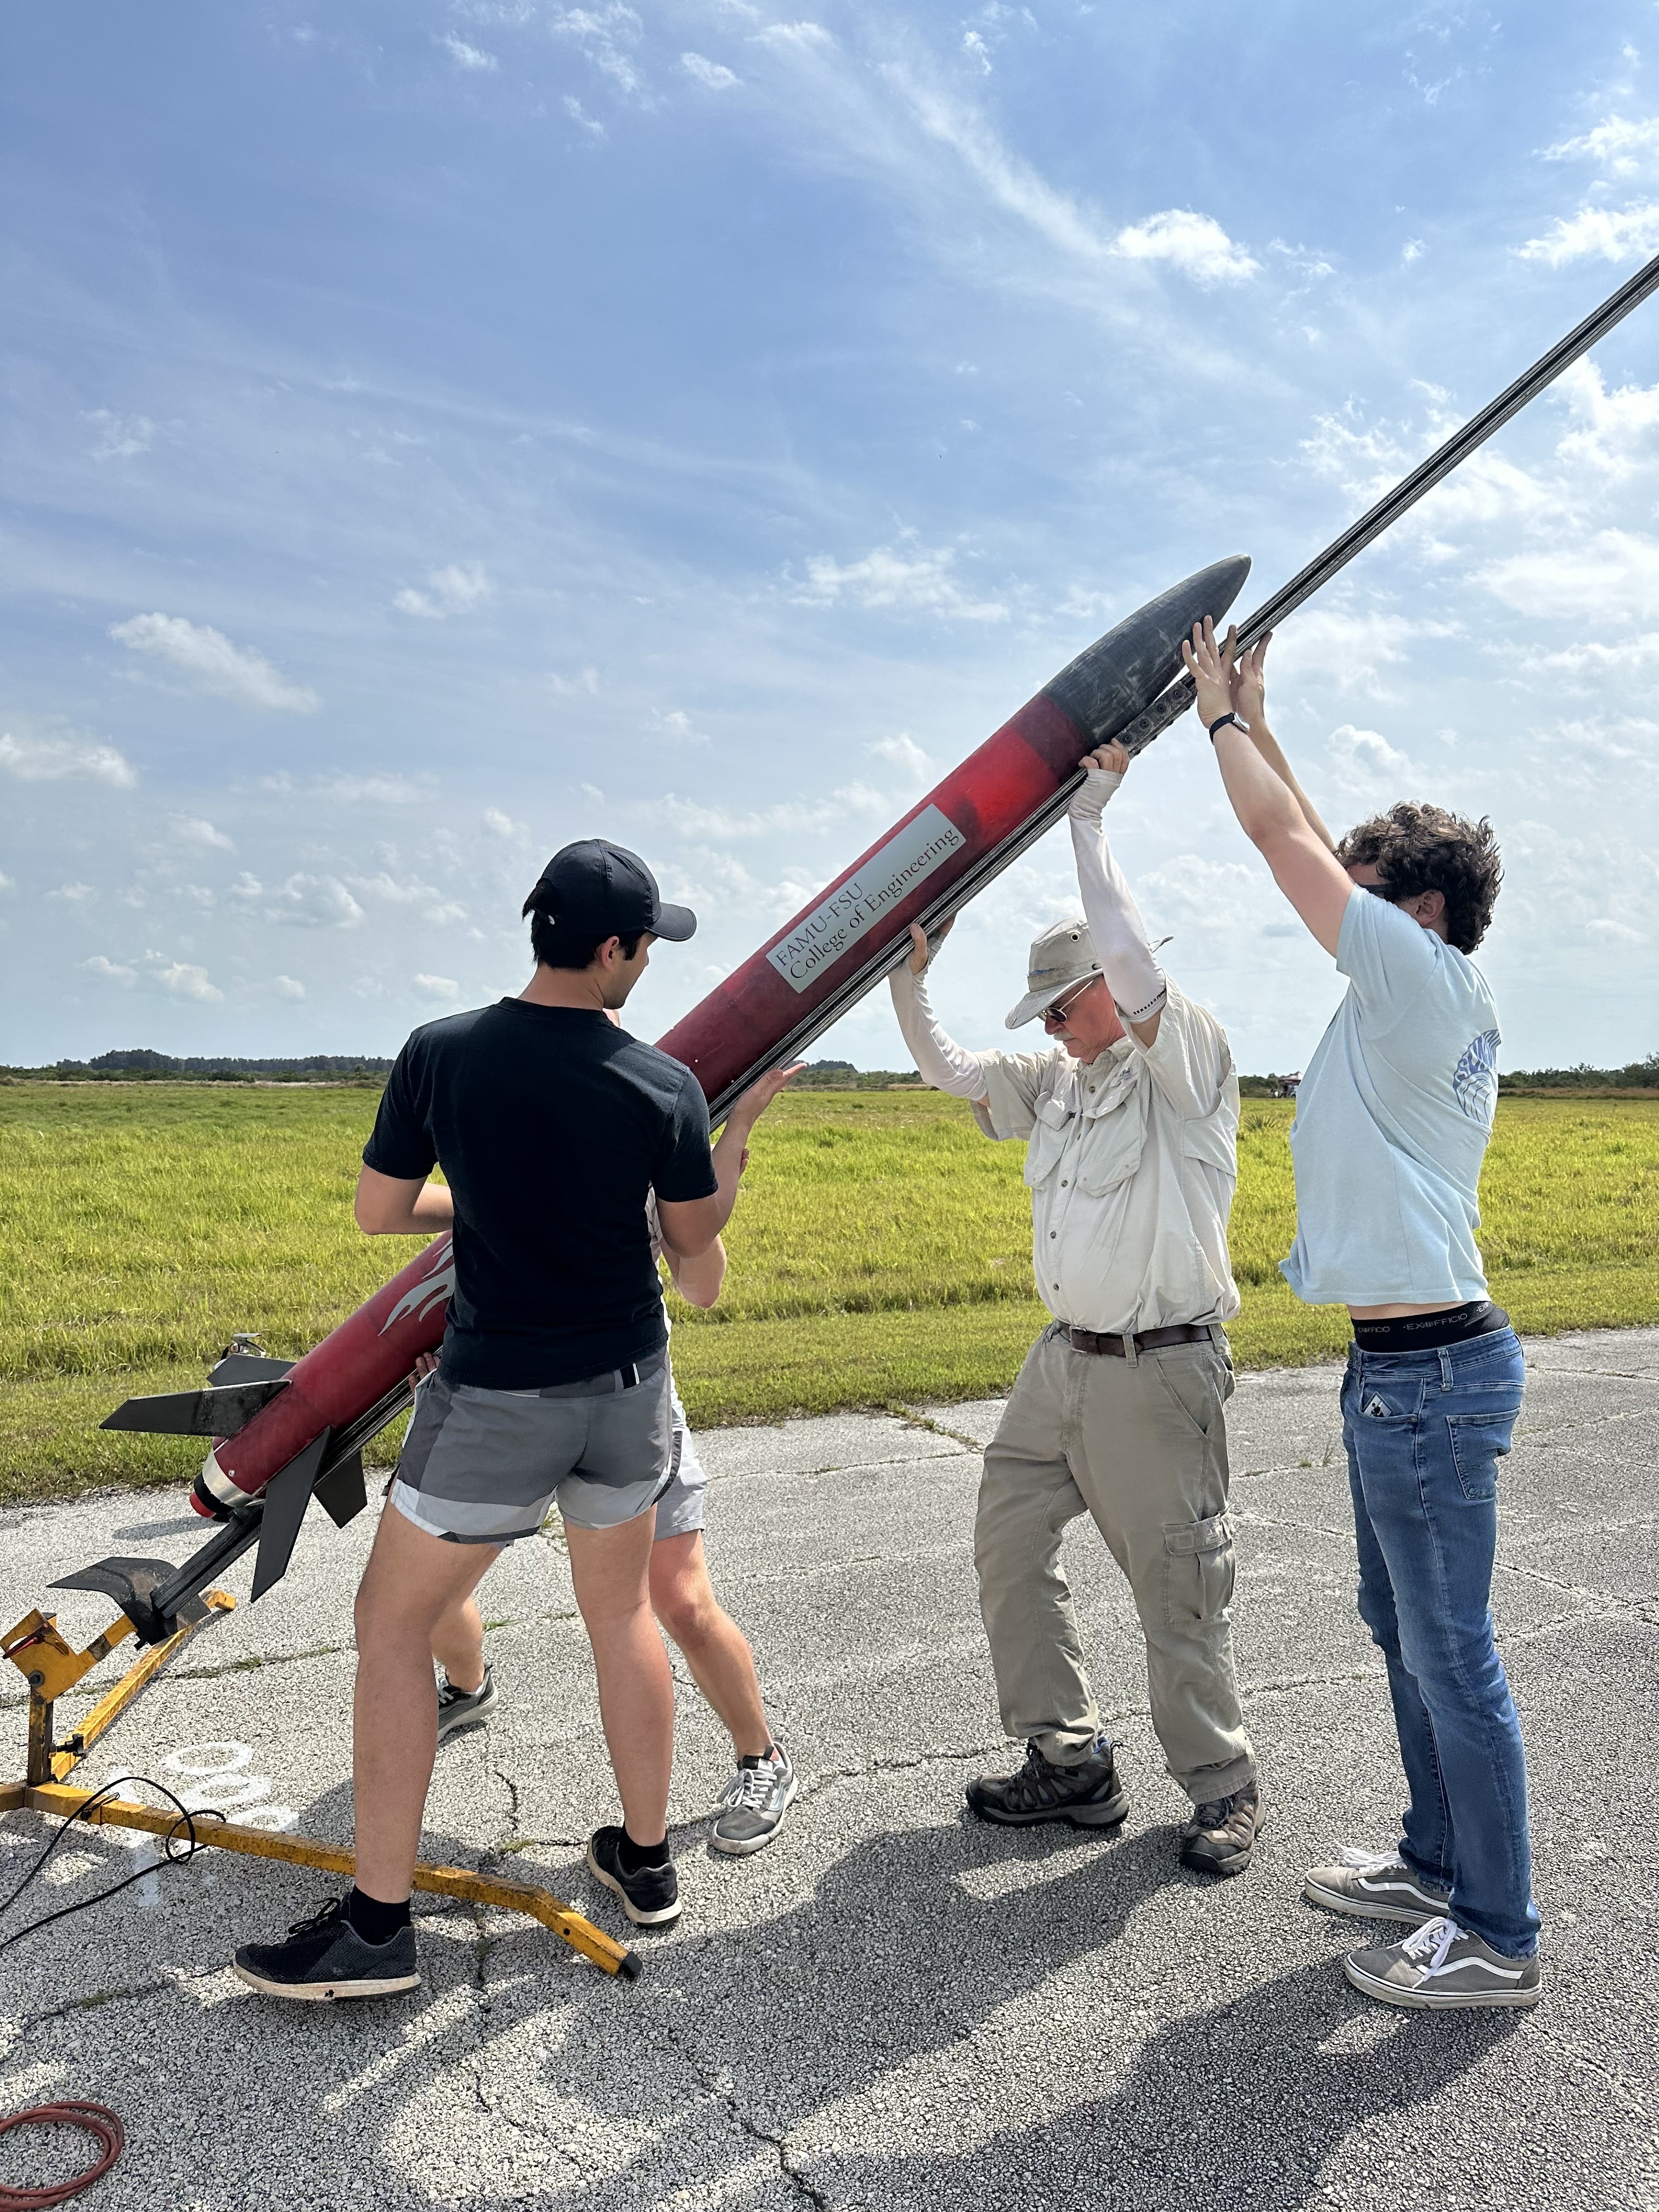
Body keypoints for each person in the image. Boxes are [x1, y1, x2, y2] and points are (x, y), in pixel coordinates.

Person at [233, 839, 772, 2001]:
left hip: (496, 1398)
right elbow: (693, 1250)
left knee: (391, 1625)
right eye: (647, 947)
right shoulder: (662, 1082)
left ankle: (379, 1933)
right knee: (620, 1611)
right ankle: (645, 1857)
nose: (647, 967)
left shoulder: (442, 1054)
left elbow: (383, 1210)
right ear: (615, 949)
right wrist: (730, 1150)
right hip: (627, 1395)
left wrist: (482, 1196)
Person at [1183, 615, 1539, 2011]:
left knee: (1454, 1654)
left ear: (1421, 913)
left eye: (1373, 887)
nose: (1347, 898)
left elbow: (1290, 853)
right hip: (1400, 1367)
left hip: (1433, 1378)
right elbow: (1325, 845)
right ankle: (1437, 1861)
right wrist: (1264, 718)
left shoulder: (1412, 976)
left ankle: (1498, 1936)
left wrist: (1218, 722)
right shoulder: (1420, 980)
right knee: (1406, 1634)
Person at [889, 740, 1262, 1878]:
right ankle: (1069, 1759)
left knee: (1175, 1584)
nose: (1049, 1025)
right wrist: (912, 978)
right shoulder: (1056, 1083)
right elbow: (955, 1071)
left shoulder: (1183, 1072)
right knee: (1007, 1542)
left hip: (1160, 1368)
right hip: (1062, 1366)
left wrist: (1088, 823)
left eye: (1063, 1002)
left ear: (1111, 980)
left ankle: (1224, 1784)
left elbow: (1138, 970)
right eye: (1044, 1010)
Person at [427, 1102, 799, 1860]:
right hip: (506, 1398)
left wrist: (710, 1180)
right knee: (424, 1589)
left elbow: (703, 1287)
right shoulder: (507, 1140)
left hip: (629, 1403)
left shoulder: (636, 1138)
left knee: (680, 1601)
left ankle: (762, 1759)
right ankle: (468, 1690)